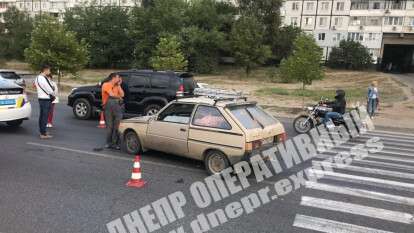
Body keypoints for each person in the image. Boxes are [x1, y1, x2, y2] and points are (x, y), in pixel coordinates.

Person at [102, 73, 125, 150]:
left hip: (117, 107)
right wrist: (119, 98)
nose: (119, 79)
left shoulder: (117, 86)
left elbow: (122, 94)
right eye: (118, 78)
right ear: (113, 78)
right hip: (108, 107)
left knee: (117, 126)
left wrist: (119, 85)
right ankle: (108, 143)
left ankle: (115, 143)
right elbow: (111, 95)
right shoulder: (106, 85)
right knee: (110, 126)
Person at [35, 65, 56, 139]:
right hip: (45, 99)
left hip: (42, 98)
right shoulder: (42, 78)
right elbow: (49, 89)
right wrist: (53, 93)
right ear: (45, 70)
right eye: (49, 70)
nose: (50, 72)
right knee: (44, 117)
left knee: (42, 116)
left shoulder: (38, 78)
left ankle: (42, 131)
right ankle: (43, 134)